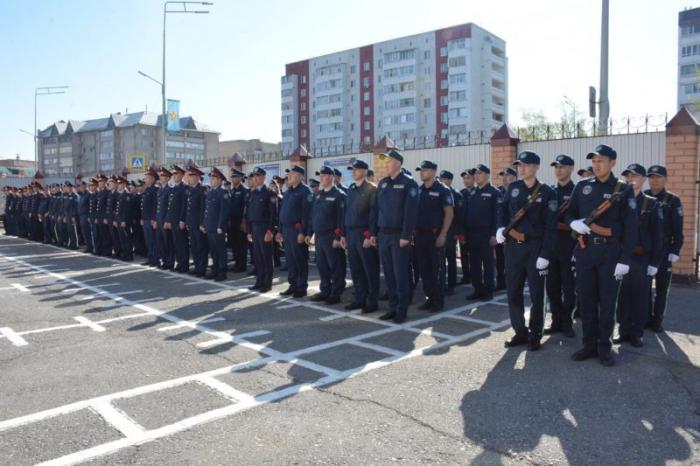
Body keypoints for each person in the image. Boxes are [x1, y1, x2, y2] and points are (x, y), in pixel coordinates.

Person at [565, 144, 637, 366]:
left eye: (601, 161)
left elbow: (631, 227)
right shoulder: (582, 186)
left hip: (610, 253)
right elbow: (569, 212)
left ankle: (604, 347)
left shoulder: (623, 189)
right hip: (586, 250)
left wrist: (625, 259)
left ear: (612, 163)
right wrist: (573, 223)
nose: (596, 165)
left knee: (607, 302)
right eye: (594, 161)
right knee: (586, 299)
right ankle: (588, 344)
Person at [496, 151, 557, 351]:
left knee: (538, 295)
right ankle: (520, 332)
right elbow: (502, 210)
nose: (521, 168)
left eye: (525, 165)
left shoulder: (547, 192)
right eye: (519, 165)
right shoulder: (513, 188)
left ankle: (535, 334)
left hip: (535, 248)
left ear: (536, 167)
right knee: (513, 292)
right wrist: (499, 227)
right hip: (513, 249)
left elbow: (551, 226)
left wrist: (545, 254)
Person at [615, 164, 662, 348]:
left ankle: (636, 333)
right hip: (621, 257)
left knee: (640, 297)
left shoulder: (651, 203)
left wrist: (655, 261)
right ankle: (623, 330)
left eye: (635, 176)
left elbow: (658, 235)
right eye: (627, 176)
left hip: (641, 257)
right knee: (622, 296)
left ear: (643, 179)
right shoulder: (618, 200)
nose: (630, 179)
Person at [370, 149, 419, 323]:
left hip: (399, 236)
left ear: (398, 163)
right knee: (389, 274)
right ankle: (392, 307)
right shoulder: (382, 183)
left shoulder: (409, 183)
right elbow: (375, 209)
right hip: (383, 235)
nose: (386, 164)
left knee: (400, 275)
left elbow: (410, 212)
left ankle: (401, 310)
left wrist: (406, 235)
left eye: (389, 161)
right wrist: (373, 233)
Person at [645, 164, 684, 333]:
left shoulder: (672, 200)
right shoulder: (643, 196)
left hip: (665, 249)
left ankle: (657, 320)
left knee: (661, 288)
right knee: (644, 288)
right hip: (645, 249)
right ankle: (645, 318)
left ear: (665, 179)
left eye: (658, 177)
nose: (654, 180)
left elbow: (678, 229)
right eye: (651, 177)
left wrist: (675, 250)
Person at [544, 154, 577, 338]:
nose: (558, 170)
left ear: (571, 168)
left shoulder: (577, 191)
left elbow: (581, 220)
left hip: (569, 247)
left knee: (569, 287)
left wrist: (563, 226)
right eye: (556, 167)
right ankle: (556, 320)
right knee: (552, 287)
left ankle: (567, 322)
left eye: (562, 167)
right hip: (551, 247)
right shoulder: (549, 191)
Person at [414, 161, 454, 313]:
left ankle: (438, 301)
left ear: (433, 171)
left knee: (437, 270)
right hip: (420, 235)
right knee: (424, 270)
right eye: (420, 170)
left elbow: (449, 214)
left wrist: (443, 234)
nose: (421, 172)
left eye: (424, 170)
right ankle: (429, 298)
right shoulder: (419, 190)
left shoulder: (443, 190)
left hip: (435, 235)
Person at [341, 160, 380, 313]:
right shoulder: (350, 189)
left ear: (364, 172)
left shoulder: (371, 189)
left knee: (370, 269)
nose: (353, 172)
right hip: (350, 234)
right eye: (352, 170)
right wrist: (343, 234)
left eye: (356, 170)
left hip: (363, 234)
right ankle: (359, 298)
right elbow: (346, 213)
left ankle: (372, 301)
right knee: (356, 269)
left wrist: (369, 235)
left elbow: (373, 214)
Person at [308, 166, 346, 304]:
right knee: (322, 266)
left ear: (331, 177)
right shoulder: (318, 195)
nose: (321, 178)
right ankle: (325, 290)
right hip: (319, 236)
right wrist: (310, 233)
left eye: (324, 175)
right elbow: (314, 216)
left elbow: (341, 219)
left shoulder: (339, 195)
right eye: (320, 176)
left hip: (331, 236)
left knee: (335, 266)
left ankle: (336, 292)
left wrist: (337, 237)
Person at [464, 164, 501, 301]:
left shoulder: (494, 192)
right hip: (472, 234)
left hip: (486, 234)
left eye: (479, 173)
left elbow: (497, 215)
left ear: (487, 175)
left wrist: (494, 234)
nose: (476, 176)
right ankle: (477, 289)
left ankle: (488, 291)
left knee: (488, 264)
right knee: (474, 264)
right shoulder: (473, 193)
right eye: (475, 173)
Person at [277, 165, 312, 298]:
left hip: (297, 231)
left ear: (299, 176)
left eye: (291, 174)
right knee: (290, 259)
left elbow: (306, 214)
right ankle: (293, 284)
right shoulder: (288, 192)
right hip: (286, 230)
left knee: (300, 259)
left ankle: (301, 287)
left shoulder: (305, 191)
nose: (288, 177)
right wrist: (279, 230)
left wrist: (303, 232)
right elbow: (282, 213)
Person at [246, 166, 278, 292]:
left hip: (265, 229)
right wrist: (249, 231)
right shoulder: (252, 193)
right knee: (257, 257)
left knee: (266, 257)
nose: (255, 178)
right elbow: (248, 215)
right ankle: (259, 281)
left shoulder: (270, 193)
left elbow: (273, 215)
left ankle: (267, 283)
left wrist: (270, 231)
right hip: (254, 228)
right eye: (254, 176)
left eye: (258, 176)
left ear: (264, 177)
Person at [202, 167, 230, 281]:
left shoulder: (223, 192)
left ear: (219, 180)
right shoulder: (211, 192)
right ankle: (215, 269)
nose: (211, 180)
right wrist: (204, 224)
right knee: (213, 250)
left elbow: (224, 211)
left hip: (217, 228)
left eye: (213, 178)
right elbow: (207, 211)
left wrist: (220, 226)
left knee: (220, 250)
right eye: (211, 178)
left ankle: (222, 272)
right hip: (210, 226)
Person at [439, 170, 462, 296]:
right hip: (440, 231)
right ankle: (441, 283)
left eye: (445, 179)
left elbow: (458, 215)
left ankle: (452, 284)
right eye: (441, 179)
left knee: (451, 259)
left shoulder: (455, 194)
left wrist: (456, 232)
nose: (442, 181)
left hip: (451, 231)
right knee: (441, 260)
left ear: (450, 180)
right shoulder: (441, 192)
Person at [495, 167, 517, 291]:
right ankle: (501, 282)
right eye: (503, 175)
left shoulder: (519, 191)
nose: (505, 178)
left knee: (514, 261)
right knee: (500, 260)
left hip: (516, 232)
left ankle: (513, 282)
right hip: (501, 231)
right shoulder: (498, 191)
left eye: (508, 175)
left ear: (514, 177)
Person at [185, 164, 208, 277]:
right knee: (194, 246)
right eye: (189, 176)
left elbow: (203, 209)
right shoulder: (190, 190)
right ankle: (197, 266)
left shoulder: (202, 190)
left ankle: (202, 268)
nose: (189, 178)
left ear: (197, 177)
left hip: (198, 224)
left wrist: (202, 224)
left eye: (191, 175)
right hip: (191, 223)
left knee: (201, 246)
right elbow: (188, 209)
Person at [165, 165, 189, 273]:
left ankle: (184, 264)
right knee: (177, 243)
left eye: (176, 174)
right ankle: (179, 263)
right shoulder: (175, 188)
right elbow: (170, 207)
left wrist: (182, 220)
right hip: (173, 221)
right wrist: (169, 220)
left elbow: (184, 206)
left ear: (182, 175)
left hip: (179, 221)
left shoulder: (184, 188)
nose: (174, 176)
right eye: (173, 174)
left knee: (182, 243)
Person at [228, 169, 249, 273]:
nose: (232, 179)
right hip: (232, 221)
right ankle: (237, 263)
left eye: (235, 177)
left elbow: (245, 207)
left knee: (241, 245)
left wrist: (243, 222)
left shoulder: (244, 190)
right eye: (232, 177)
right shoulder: (232, 190)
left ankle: (242, 265)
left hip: (240, 221)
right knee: (235, 244)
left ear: (240, 178)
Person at [459, 169, 476, 285]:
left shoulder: (478, 192)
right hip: (463, 230)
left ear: (474, 179)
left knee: (475, 255)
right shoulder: (460, 194)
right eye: (464, 178)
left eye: (468, 178)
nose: (466, 181)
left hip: (475, 231)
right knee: (464, 254)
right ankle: (466, 276)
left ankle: (475, 277)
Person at [156, 167, 174, 269]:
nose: (160, 177)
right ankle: (164, 260)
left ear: (167, 178)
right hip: (159, 219)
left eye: (163, 176)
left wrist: (167, 220)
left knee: (168, 242)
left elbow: (169, 207)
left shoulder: (169, 190)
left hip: (165, 220)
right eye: (160, 176)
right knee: (160, 242)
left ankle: (170, 262)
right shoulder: (160, 190)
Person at [140, 167, 159, 266]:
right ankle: (150, 257)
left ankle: (155, 259)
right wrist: (142, 218)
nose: (145, 179)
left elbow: (155, 206)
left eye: (147, 177)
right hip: (146, 219)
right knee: (148, 240)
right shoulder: (147, 190)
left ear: (152, 178)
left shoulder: (154, 190)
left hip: (150, 219)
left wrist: (153, 219)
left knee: (153, 240)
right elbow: (144, 206)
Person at [115, 176, 134, 261]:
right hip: (119, 220)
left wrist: (124, 220)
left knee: (126, 238)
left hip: (124, 221)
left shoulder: (127, 195)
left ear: (124, 184)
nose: (118, 185)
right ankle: (125, 254)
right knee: (122, 238)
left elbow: (127, 210)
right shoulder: (120, 195)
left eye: (120, 183)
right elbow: (118, 209)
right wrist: (116, 220)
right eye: (118, 183)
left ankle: (129, 255)